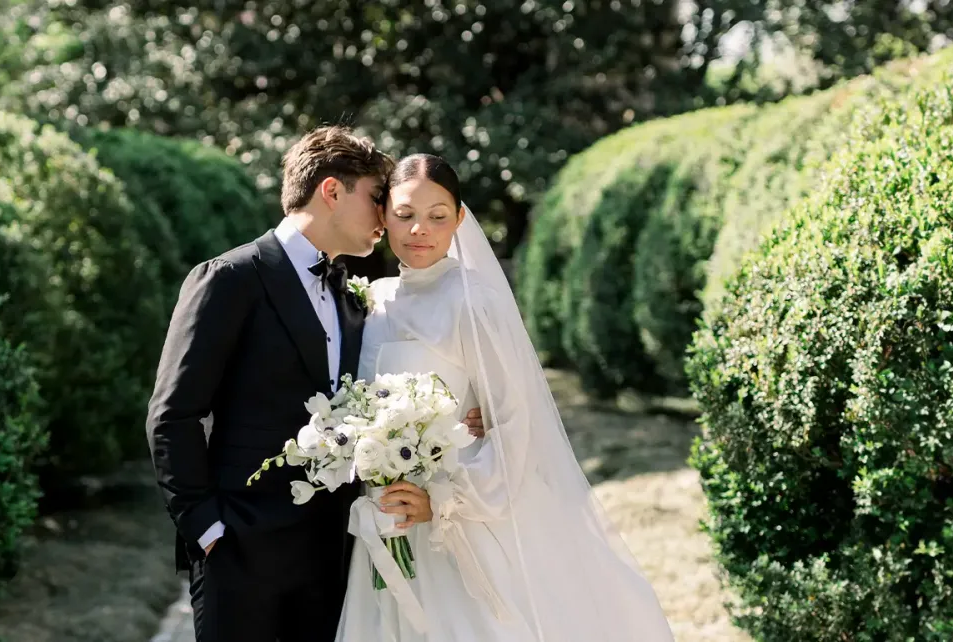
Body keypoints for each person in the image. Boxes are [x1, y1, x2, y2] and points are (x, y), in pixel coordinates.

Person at [146, 127, 483, 642]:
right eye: (376, 198)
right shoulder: (231, 278)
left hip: (333, 553)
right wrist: (206, 529)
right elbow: (174, 415)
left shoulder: (353, 299)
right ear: (331, 191)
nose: (384, 216)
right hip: (240, 549)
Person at [335, 154, 676, 641]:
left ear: (458, 219)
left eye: (437, 216)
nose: (419, 230)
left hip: (455, 520)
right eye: (405, 214)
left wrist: (443, 501)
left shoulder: (472, 301)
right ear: (384, 215)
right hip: (385, 515)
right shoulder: (373, 301)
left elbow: (517, 421)